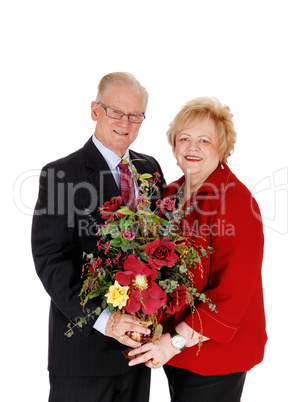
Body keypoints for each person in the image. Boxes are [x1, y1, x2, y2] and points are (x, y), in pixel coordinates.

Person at [31, 72, 166, 402]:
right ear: (95, 110)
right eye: (116, 112)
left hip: (136, 353)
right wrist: (104, 321)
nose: (125, 122)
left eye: (135, 116)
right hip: (82, 357)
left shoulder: (151, 167)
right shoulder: (61, 174)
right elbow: (51, 261)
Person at [127, 97, 267, 402]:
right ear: (174, 145)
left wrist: (173, 341)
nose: (193, 148)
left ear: (222, 147)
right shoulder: (169, 195)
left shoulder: (235, 201)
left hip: (215, 355)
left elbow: (232, 295)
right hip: (177, 352)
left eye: (204, 140)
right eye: (185, 139)